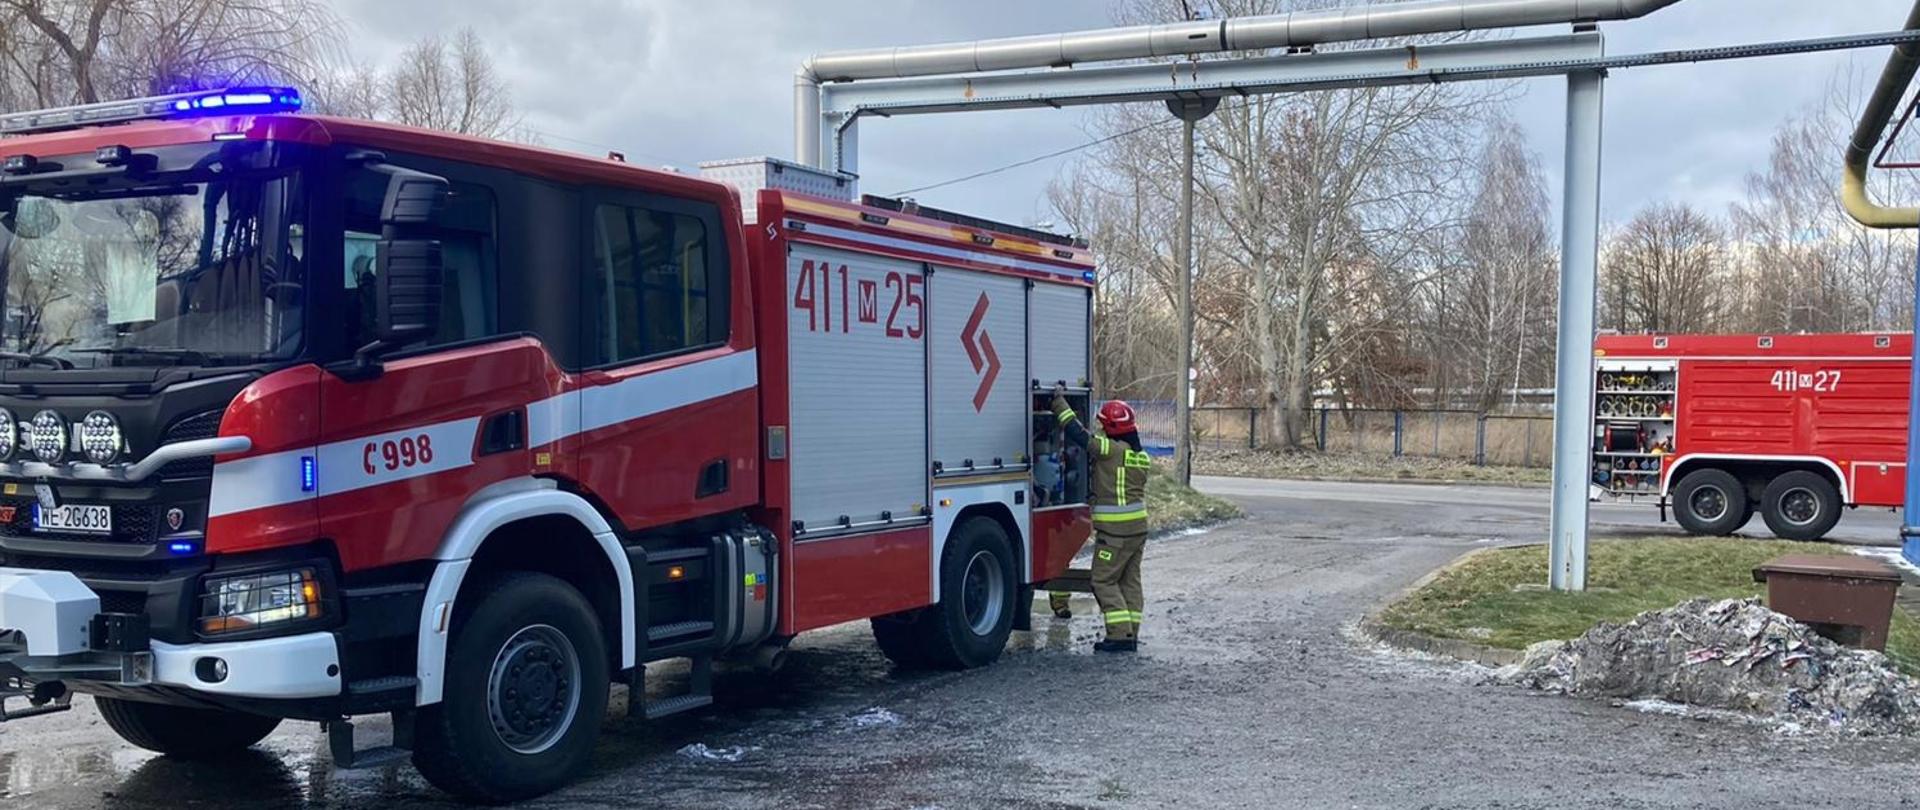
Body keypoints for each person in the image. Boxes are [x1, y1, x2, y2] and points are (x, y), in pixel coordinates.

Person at [1051, 385, 1151, 653]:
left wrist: (1058, 402)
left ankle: (1119, 636)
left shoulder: (1110, 450)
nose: (1102, 429)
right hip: (1138, 529)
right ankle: (1131, 633)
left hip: (1116, 533)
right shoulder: (1141, 457)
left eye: (1104, 425)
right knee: (1130, 582)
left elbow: (1079, 435)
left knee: (1103, 580)